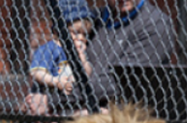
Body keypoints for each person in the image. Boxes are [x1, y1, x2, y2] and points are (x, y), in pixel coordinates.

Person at [27, 0, 175, 115]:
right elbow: (56, 53)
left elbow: (120, 81)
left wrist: (52, 101)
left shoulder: (155, 24)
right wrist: (39, 93)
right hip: (79, 103)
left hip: (123, 114)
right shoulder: (93, 19)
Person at [29, 0, 94, 116]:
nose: (81, 37)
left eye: (84, 34)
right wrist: (55, 81)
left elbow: (88, 73)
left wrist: (82, 58)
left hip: (74, 102)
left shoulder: (82, 50)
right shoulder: (50, 48)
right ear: (58, 31)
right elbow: (36, 72)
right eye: (75, 32)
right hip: (51, 98)